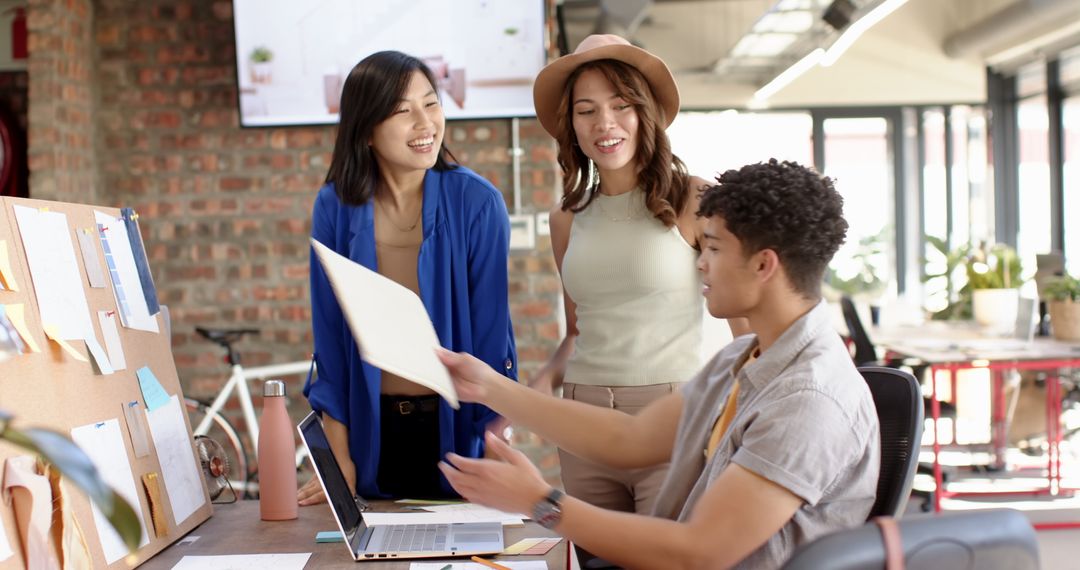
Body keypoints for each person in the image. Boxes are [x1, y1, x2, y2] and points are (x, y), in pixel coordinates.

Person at [436, 160, 880, 569]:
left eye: (713, 249)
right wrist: (490, 387)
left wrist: (539, 501)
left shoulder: (808, 399)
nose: (700, 264)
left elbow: (699, 553)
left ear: (764, 264)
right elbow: (629, 439)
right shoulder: (742, 359)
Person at [529, 33, 749, 516]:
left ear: (644, 112)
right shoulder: (565, 219)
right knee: (592, 550)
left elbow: (744, 328)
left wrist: (748, 412)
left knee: (663, 548)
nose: (603, 123)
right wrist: (537, 388)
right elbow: (576, 333)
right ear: (572, 126)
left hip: (671, 415)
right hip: (582, 417)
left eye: (620, 105)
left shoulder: (694, 198)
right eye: (586, 111)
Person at [298, 51, 517, 504]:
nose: (425, 122)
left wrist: (496, 450)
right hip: (371, 439)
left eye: (431, 103)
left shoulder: (477, 203)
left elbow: (493, 343)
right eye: (403, 111)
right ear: (366, 130)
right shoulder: (334, 207)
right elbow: (331, 341)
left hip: (458, 438)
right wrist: (338, 459)